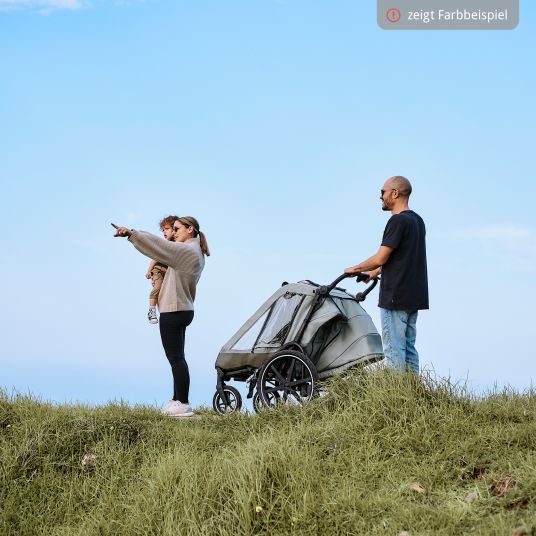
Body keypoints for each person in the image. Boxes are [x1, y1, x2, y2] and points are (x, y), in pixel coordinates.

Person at [113, 216, 210, 417]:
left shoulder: (186, 251)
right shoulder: (196, 251)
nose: (173, 233)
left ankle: (183, 402)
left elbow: (158, 246)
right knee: (178, 358)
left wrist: (131, 234)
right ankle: (177, 399)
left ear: (190, 229)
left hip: (173, 310)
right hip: (184, 308)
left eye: (177, 229)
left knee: (175, 359)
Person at [345, 176, 428, 373]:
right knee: (408, 348)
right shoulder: (417, 221)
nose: (380, 197)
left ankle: (398, 398)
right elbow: (403, 257)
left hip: (395, 295)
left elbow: (381, 257)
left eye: (382, 192)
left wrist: (355, 269)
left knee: (394, 349)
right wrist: (374, 273)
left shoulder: (397, 221)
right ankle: (412, 393)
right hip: (413, 295)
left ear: (395, 193)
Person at [145, 215, 179, 325]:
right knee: (157, 287)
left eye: (167, 229)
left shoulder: (179, 244)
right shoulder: (165, 244)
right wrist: (149, 270)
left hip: (168, 272)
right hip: (158, 270)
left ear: (175, 229)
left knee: (166, 293)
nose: (164, 232)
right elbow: (155, 257)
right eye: (163, 230)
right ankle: (151, 310)